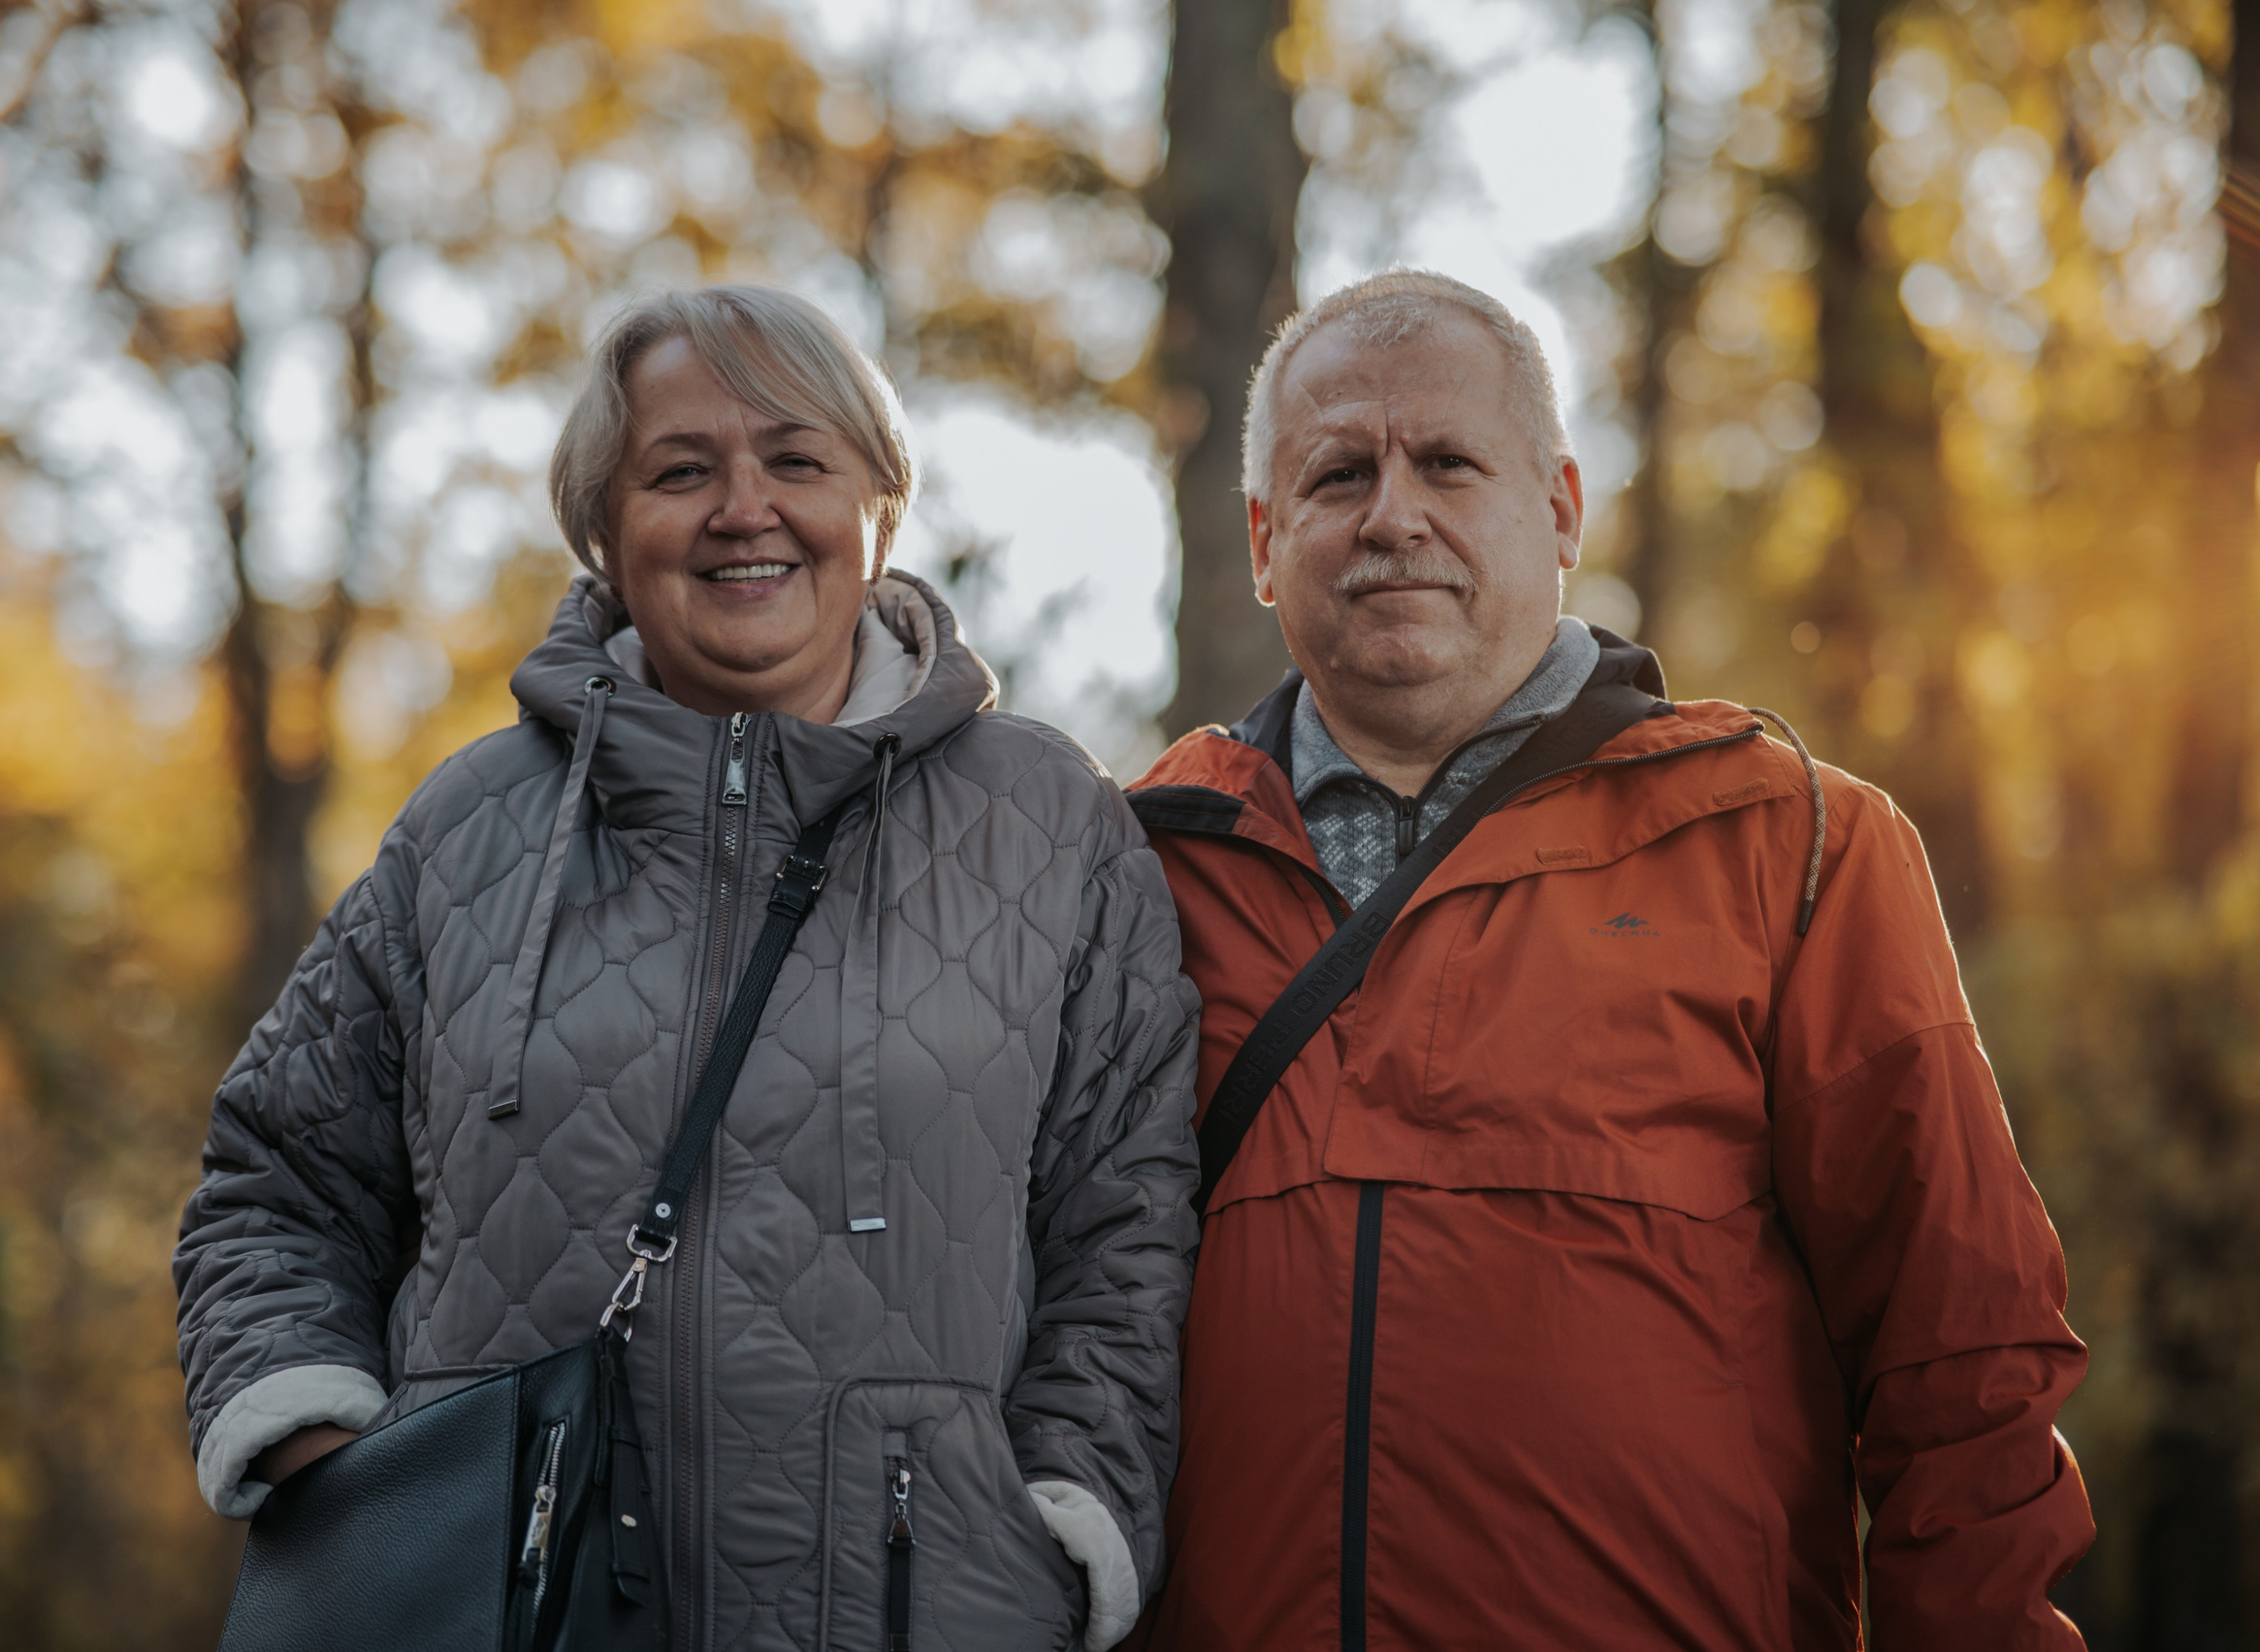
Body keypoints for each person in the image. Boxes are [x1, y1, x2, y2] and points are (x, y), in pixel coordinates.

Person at [176, 284, 1201, 1652]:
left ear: (878, 506)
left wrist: (1063, 1528)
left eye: (796, 459)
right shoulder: (469, 826)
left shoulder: (1054, 823)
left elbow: (1125, 1223)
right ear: (605, 528)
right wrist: (346, 1479)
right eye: (679, 471)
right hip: (501, 1618)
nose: (743, 509)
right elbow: (274, 1181)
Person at [1122, 270, 2093, 1649]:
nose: (1393, 515)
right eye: (1339, 475)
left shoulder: (1794, 845)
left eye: (1448, 463)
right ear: (1268, 542)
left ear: (1564, 509)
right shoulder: (1133, 877)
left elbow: (1966, 1363)